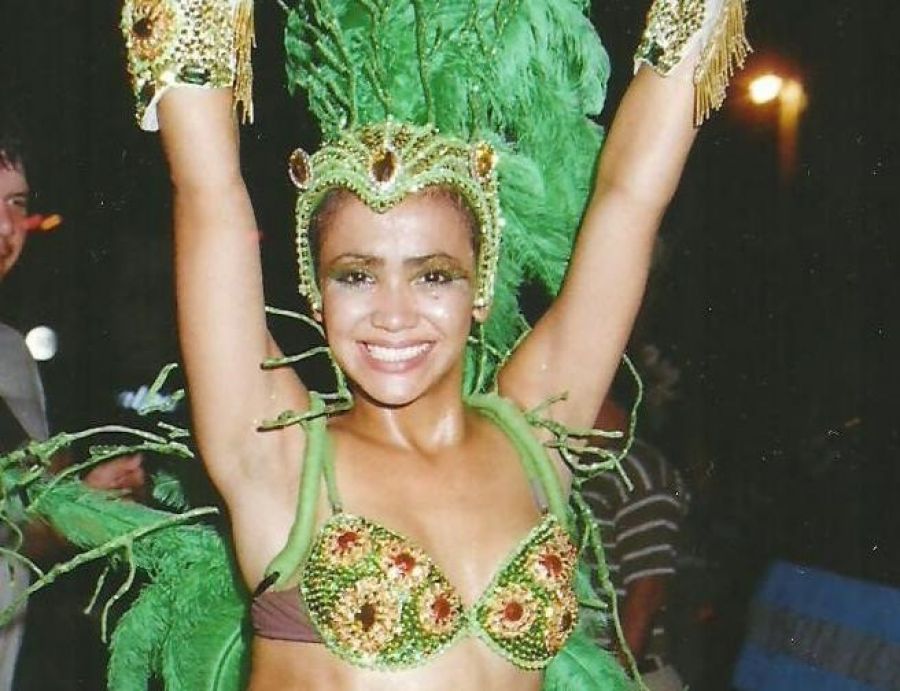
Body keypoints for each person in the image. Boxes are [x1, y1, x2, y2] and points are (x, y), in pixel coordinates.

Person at [119, 0, 749, 688]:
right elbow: (209, 193)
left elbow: (628, 198)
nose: (394, 314)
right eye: (357, 275)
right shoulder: (278, 456)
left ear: (479, 289)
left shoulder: (535, 436)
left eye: (433, 275)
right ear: (315, 291)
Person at [0, 108, 146, 691]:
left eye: (15, 202)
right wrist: (70, 516)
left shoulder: (12, 353)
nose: (6, 227)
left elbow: (33, 507)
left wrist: (94, 498)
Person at [585, 399, 689, 691]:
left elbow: (647, 592)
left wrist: (610, 681)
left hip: (630, 679)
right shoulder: (584, 469)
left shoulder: (639, 470)